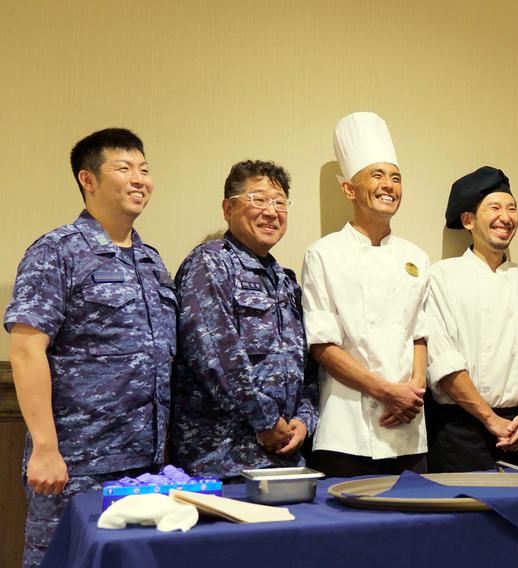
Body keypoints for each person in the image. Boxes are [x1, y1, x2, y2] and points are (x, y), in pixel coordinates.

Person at [4, 128, 175, 567]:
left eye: (145, 170)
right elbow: (26, 350)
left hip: (145, 469)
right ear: (89, 179)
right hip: (78, 464)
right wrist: (45, 449)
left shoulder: (150, 261)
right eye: (124, 168)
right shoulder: (57, 250)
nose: (139, 180)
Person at [169, 160, 317, 479]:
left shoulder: (286, 282)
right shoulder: (210, 264)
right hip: (223, 461)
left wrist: (304, 419)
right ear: (228, 208)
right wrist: (263, 419)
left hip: (286, 461)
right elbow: (215, 357)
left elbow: (308, 368)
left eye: (279, 202)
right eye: (259, 200)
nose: (271, 211)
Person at [302, 112, 430, 477]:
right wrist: (387, 391)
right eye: (377, 175)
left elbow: (420, 333)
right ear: (349, 189)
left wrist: (414, 389)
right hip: (347, 431)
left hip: (408, 427)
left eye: (396, 177)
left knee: (416, 528)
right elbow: (322, 345)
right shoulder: (323, 254)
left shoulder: (415, 257)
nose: (389, 185)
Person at [424, 166, 518, 472]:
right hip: (459, 432)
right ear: (468, 220)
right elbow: (443, 363)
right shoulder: (442, 276)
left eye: (512, 208)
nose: (506, 217)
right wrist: (491, 420)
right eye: (494, 207)